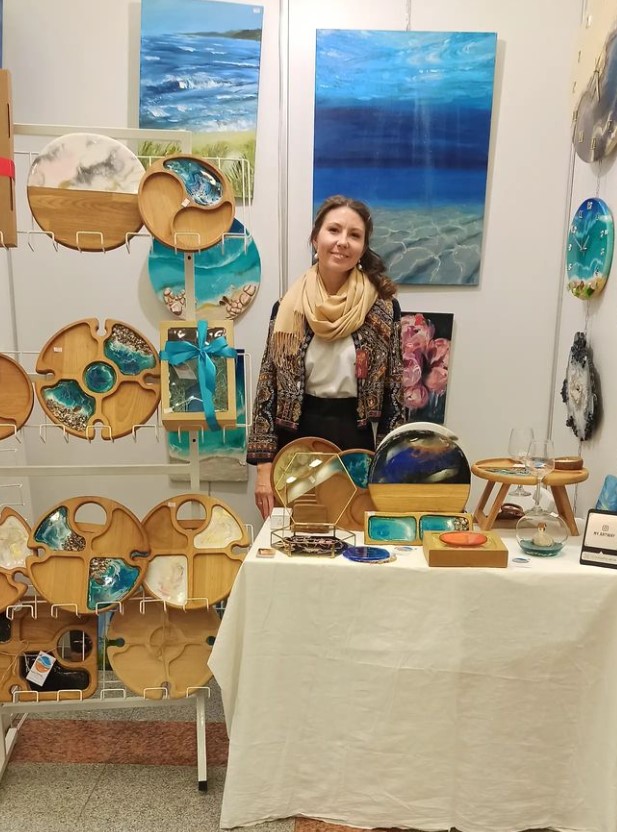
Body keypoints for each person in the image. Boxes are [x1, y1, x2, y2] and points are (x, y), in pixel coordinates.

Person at [247, 195, 404, 519]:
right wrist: (264, 469)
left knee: (353, 535)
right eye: (334, 230)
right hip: (295, 444)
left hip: (355, 442)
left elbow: (395, 393)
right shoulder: (288, 308)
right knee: (298, 537)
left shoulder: (383, 310)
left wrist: (390, 469)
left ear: (363, 247)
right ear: (315, 238)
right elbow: (267, 388)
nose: (342, 242)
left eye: (354, 235)